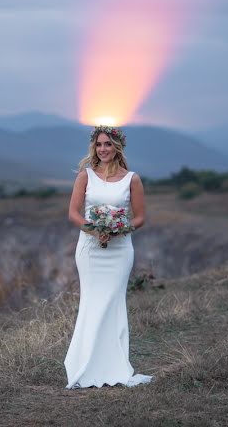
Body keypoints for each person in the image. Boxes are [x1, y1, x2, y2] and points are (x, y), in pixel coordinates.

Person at [63, 125, 153, 388]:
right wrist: (94, 230)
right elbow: (73, 213)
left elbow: (140, 218)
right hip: (90, 250)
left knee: (113, 303)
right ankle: (84, 365)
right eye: (99, 144)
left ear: (117, 148)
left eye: (108, 144)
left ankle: (114, 366)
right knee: (92, 302)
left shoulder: (132, 179)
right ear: (94, 147)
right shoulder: (85, 176)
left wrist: (118, 230)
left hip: (120, 250)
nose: (103, 149)